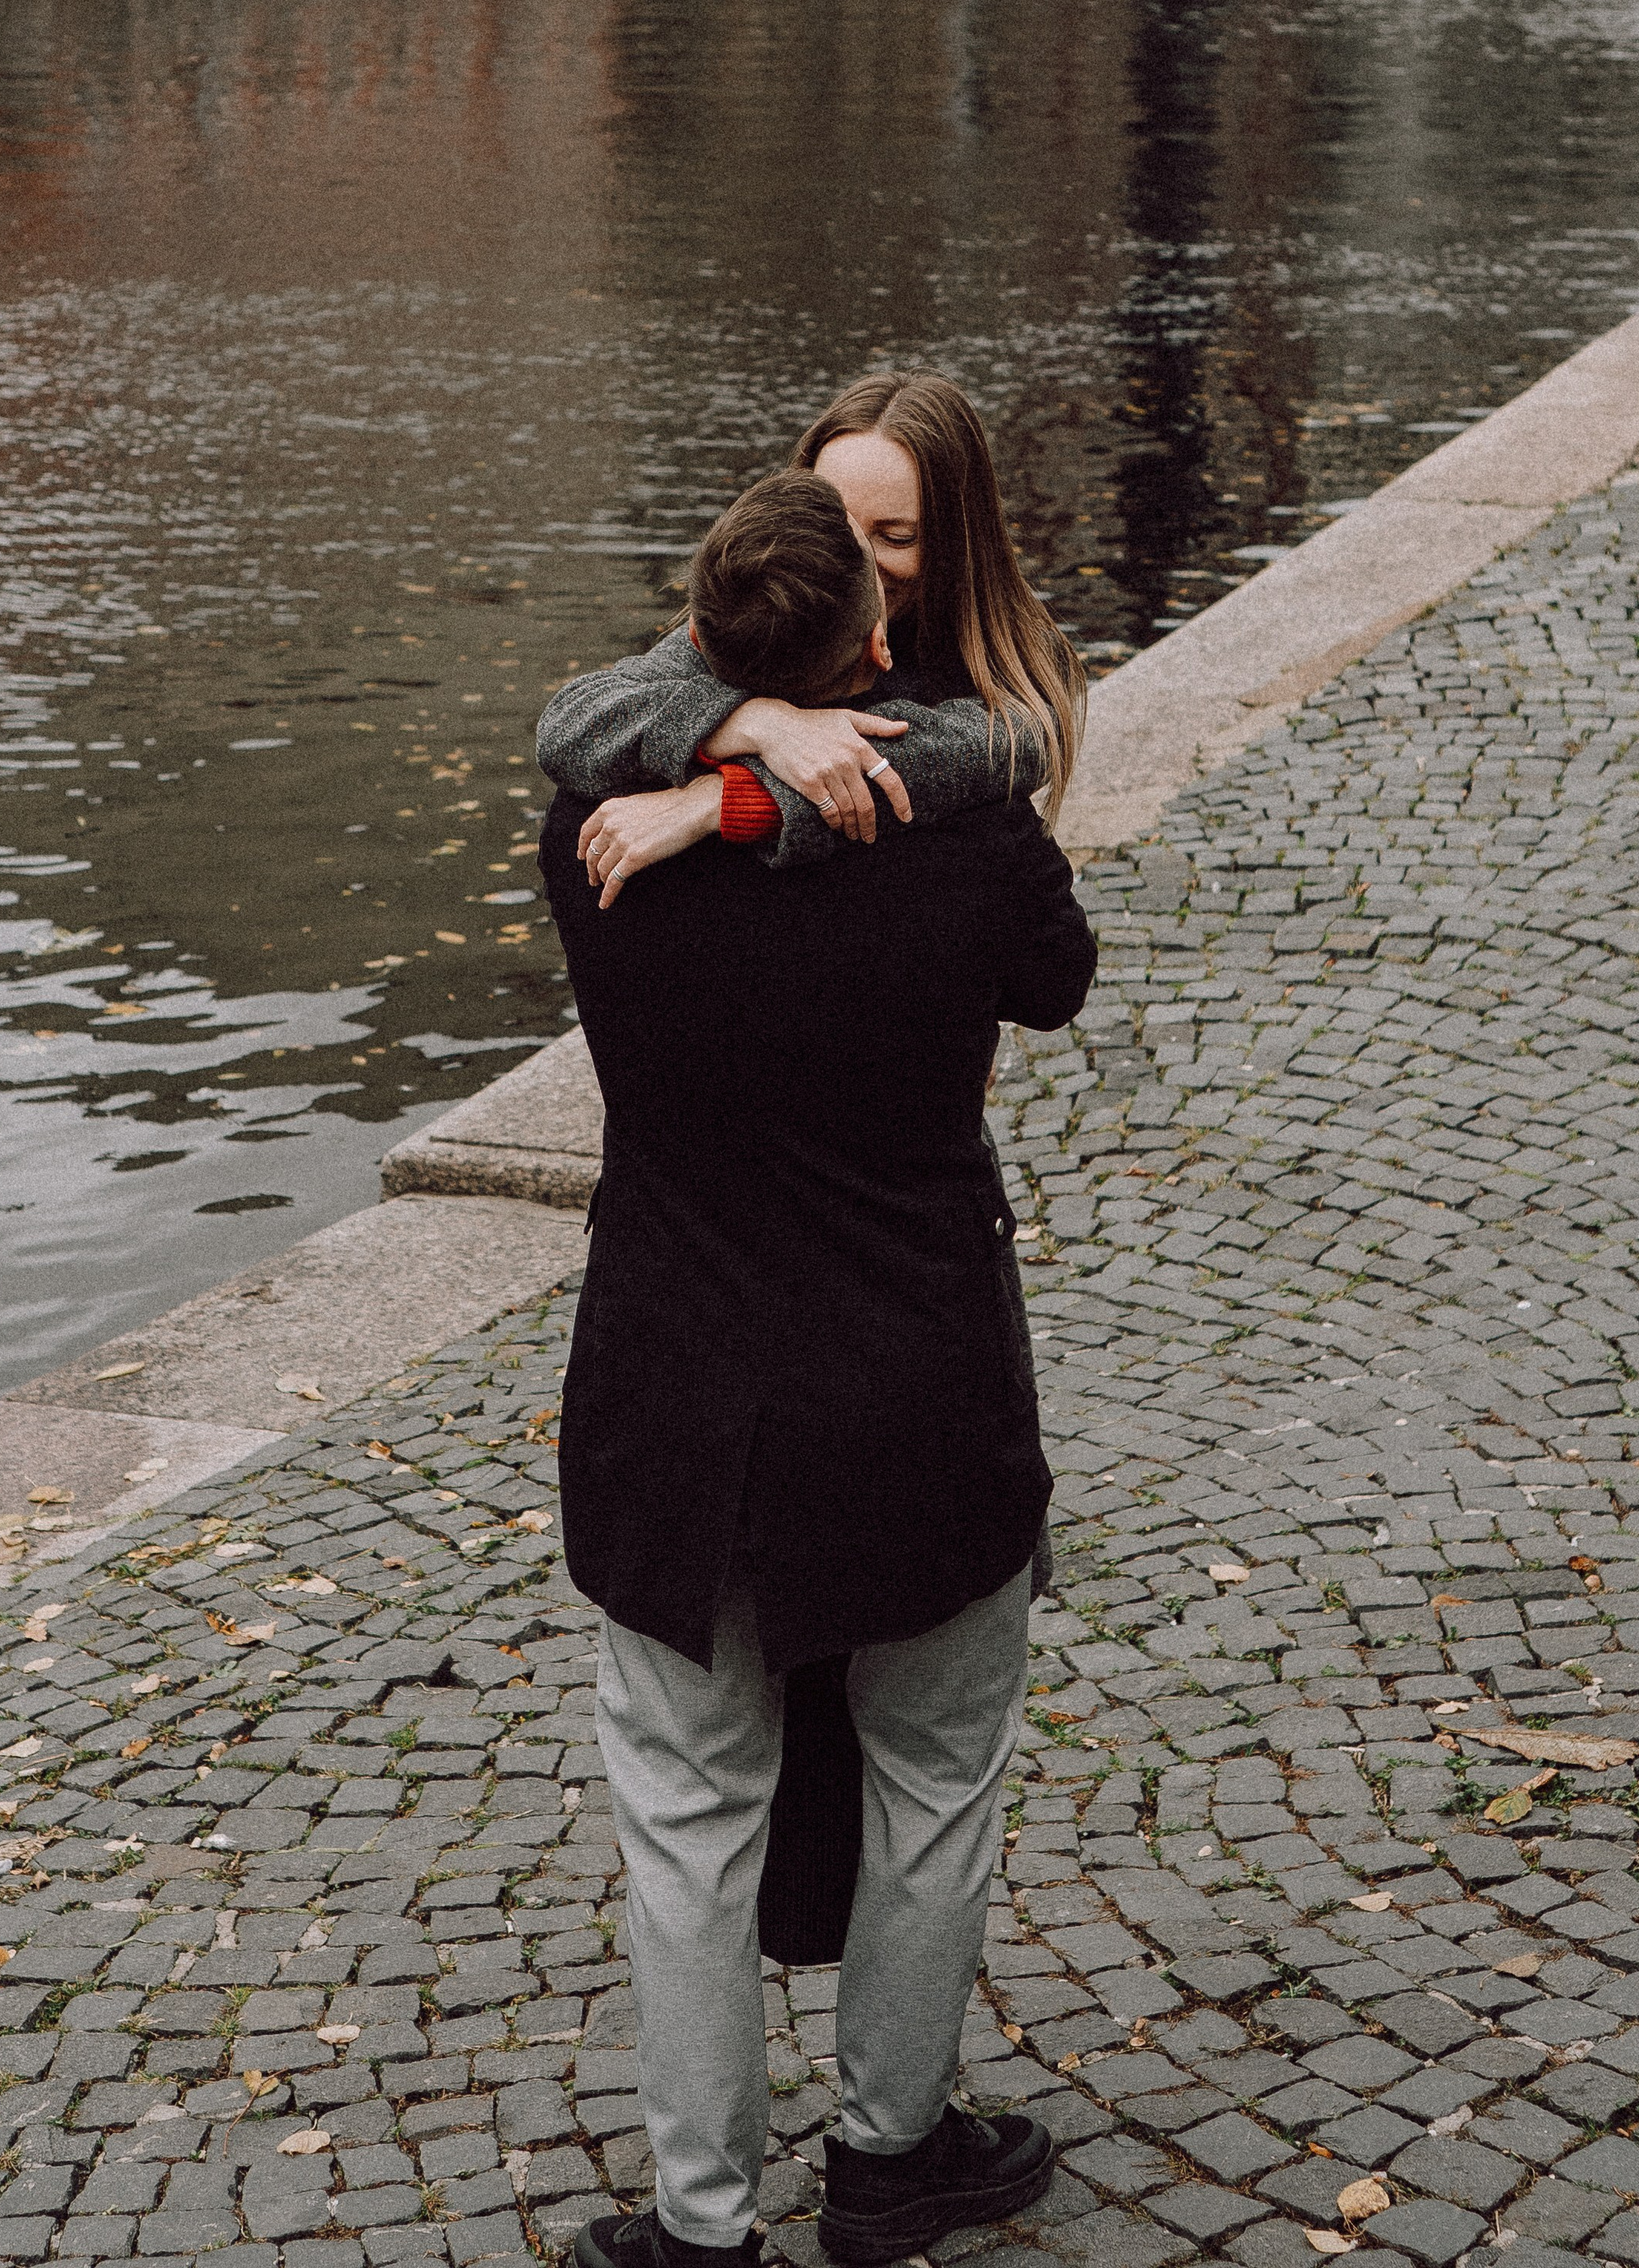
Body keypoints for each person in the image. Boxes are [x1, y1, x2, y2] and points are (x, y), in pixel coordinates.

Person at [545, 470, 1097, 2268]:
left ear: (698, 644)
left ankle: (702, 2222)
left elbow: (586, 711)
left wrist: (728, 762)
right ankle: (890, 2147)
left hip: (677, 1395)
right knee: (935, 1773)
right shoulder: (965, 826)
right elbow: (1053, 969)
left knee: (685, 1817)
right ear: (872, 638)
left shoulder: (594, 828)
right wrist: (818, 752)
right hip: (917, 1384)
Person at [537, 369, 1085, 900]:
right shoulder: (766, 609)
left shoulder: (1007, 651)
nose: (858, 566)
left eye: (895, 537)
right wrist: (754, 723)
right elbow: (571, 723)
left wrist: (724, 798)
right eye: (835, 523)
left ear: (960, 542)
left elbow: (1014, 739)